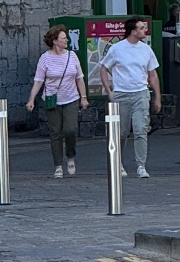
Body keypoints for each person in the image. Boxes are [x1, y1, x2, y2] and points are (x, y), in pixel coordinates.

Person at [100, 17, 162, 177]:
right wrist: (109, 91)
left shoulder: (146, 49)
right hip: (121, 94)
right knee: (121, 132)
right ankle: (117, 162)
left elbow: (153, 74)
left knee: (141, 129)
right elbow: (104, 68)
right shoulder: (117, 49)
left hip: (141, 93)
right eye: (141, 28)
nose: (144, 31)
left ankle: (141, 166)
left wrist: (157, 97)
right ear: (133, 31)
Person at [26, 25, 88, 178]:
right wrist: (31, 99)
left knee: (70, 130)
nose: (66, 40)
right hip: (52, 100)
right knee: (55, 133)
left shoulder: (72, 56)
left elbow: (79, 78)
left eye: (66, 38)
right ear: (55, 41)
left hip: (71, 98)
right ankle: (58, 166)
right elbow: (39, 81)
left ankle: (70, 155)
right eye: (63, 38)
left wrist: (84, 97)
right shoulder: (45, 58)